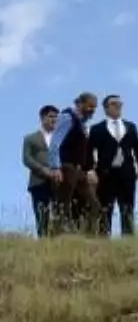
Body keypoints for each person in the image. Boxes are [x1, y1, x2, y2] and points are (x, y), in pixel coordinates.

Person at [89, 94, 138, 237]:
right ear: (106, 108)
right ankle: (103, 239)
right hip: (105, 174)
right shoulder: (97, 128)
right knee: (105, 208)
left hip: (127, 173)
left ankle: (128, 239)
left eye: (120, 104)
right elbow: (89, 150)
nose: (118, 106)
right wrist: (90, 170)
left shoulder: (130, 126)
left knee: (127, 207)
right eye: (114, 104)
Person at [46, 92, 99, 233]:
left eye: (94, 107)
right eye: (90, 106)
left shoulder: (82, 124)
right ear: (80, 104)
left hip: (78, 170)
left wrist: (88, 170)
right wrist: (55, 167)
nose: (92, 110)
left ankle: (88, 236)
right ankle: (58, 237)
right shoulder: (67, 117)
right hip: (65, 167)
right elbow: (55, 143)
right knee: (63, 205)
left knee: (94, 203)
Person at [22, 105, 58, 238]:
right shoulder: (30, 138)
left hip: (58, 181)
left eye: (55, 117)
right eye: (50, 117)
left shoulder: (61, 138)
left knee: (59, 215)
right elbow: (26, 159)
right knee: (42, 215)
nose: (54, 120)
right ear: (42, 118)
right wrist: (43, 169)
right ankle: (43, 241)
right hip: (38, 181)